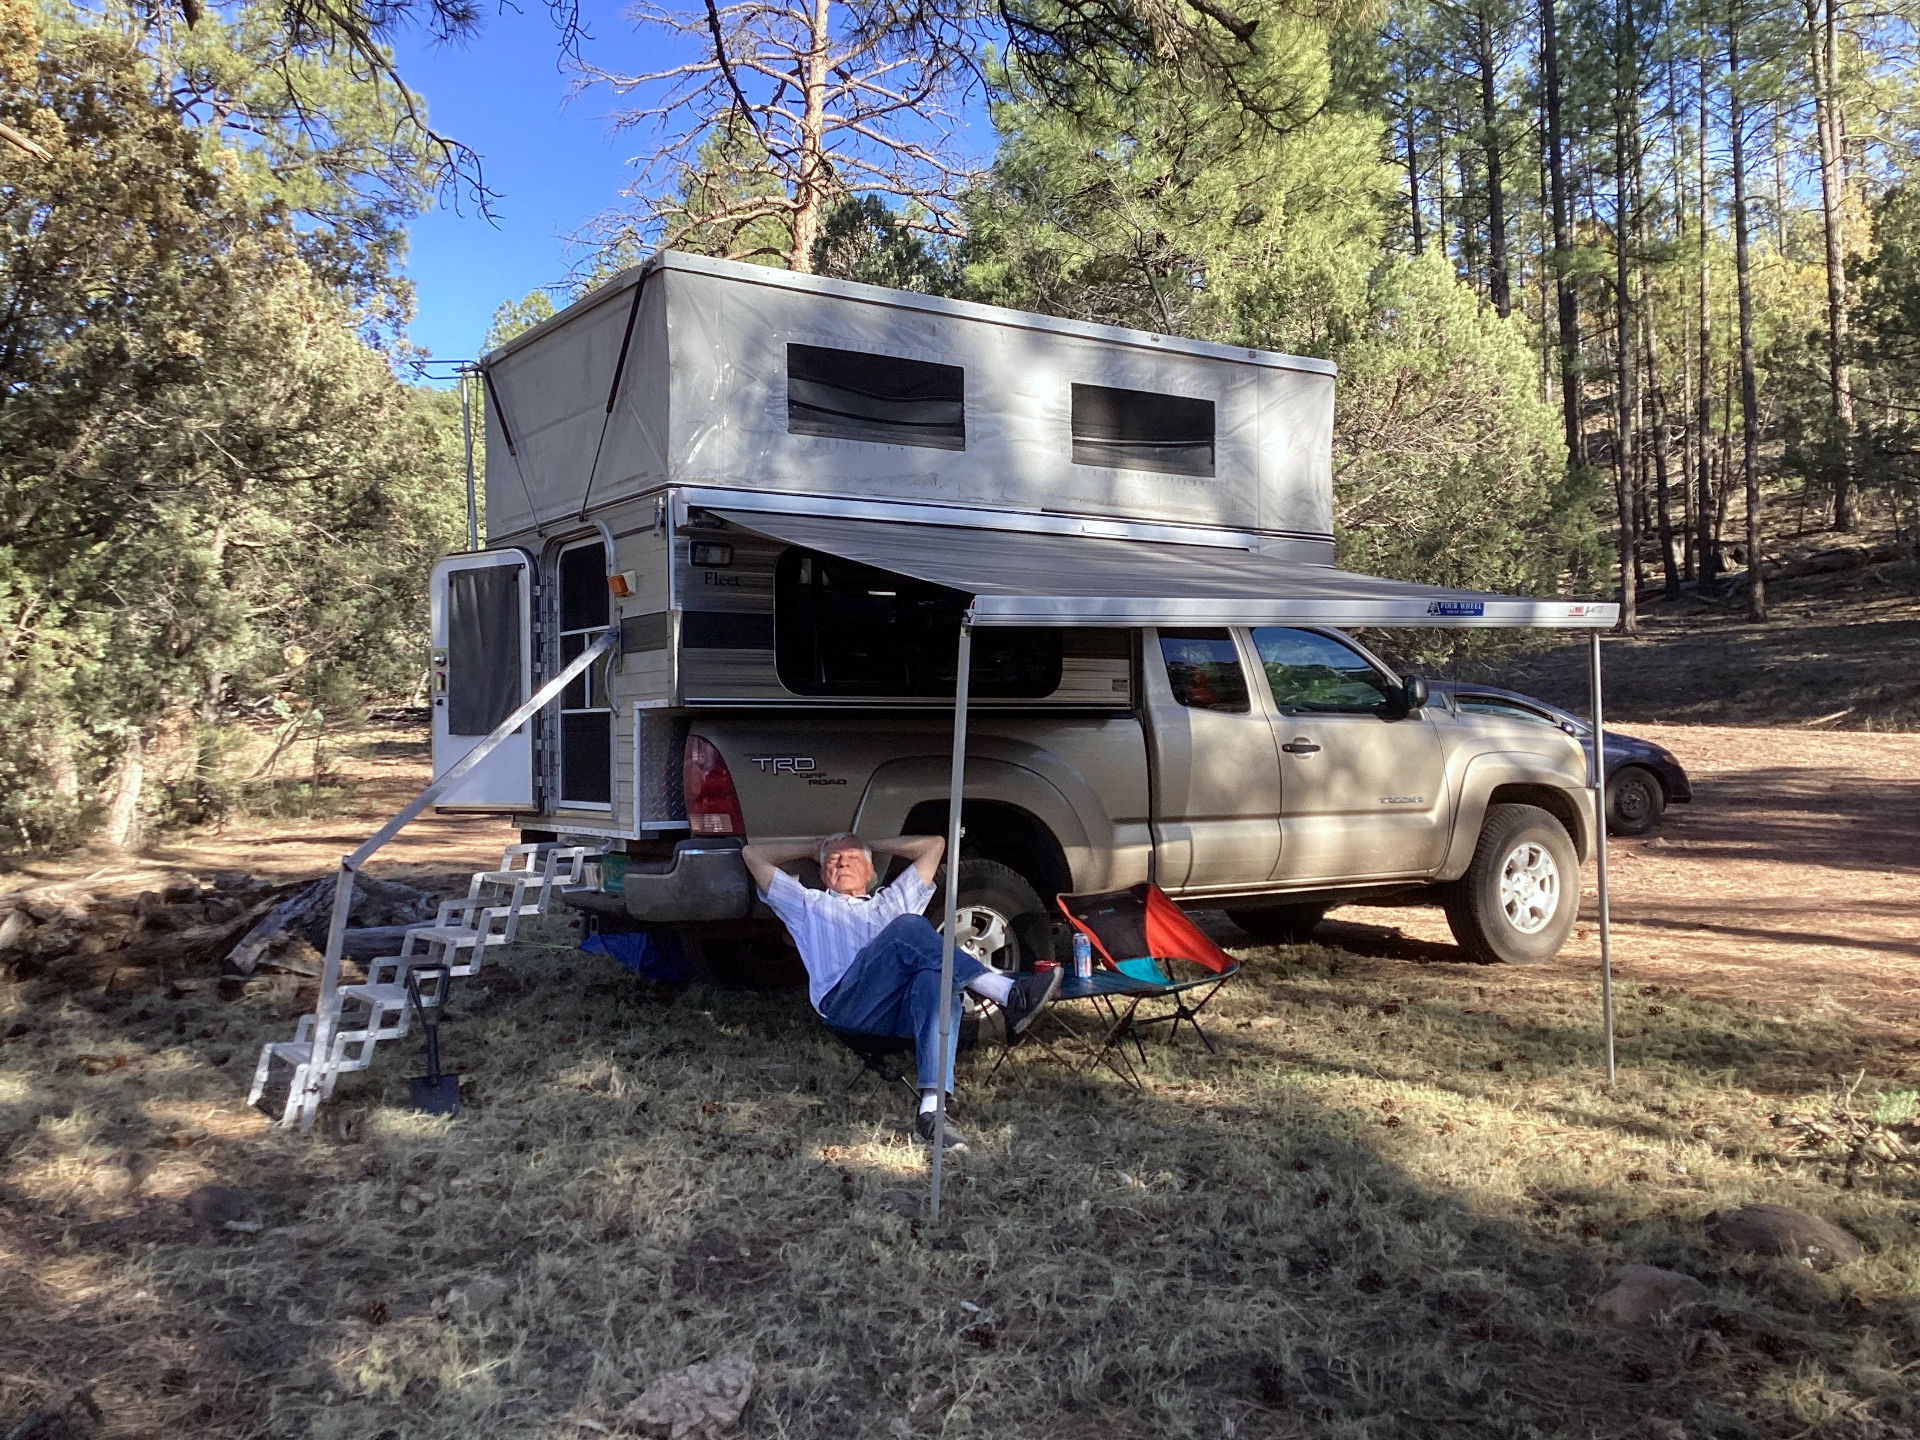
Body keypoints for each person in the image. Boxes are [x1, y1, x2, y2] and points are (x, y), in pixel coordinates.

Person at [741, 831, 1061, 1153]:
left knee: (932, 979)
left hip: (900, 1010)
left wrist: (866, 842)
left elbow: (934, 845)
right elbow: (753, 854)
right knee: (907, 927)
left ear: (871, 873)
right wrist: (815, 847)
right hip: (846, 1002)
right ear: (823, 874)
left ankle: (932, 1114)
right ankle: (1008, 994)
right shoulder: (808, 904)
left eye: (852, 857)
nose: (842, 861)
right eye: (833, 860)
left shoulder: (891, 900)